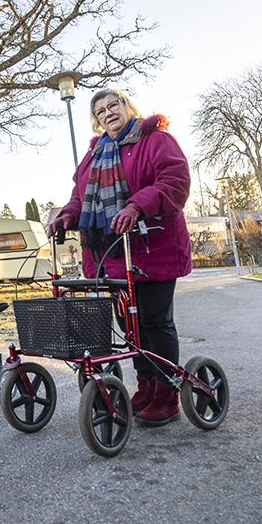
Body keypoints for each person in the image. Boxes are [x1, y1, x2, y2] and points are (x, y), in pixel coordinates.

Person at [48, 88, 192, 426]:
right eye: (100, 110)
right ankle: (145, 386)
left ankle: (167, 392)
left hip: (150, 247)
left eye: (114, 105)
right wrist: (68, 215)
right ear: (96, 120)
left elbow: (175, 180)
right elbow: (79, 196)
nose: (108, 113)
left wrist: (137, 205)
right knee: (131, 327)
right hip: (110, 254)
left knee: (155, 321)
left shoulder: (154, 139)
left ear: (127, 107)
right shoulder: (94, 153)